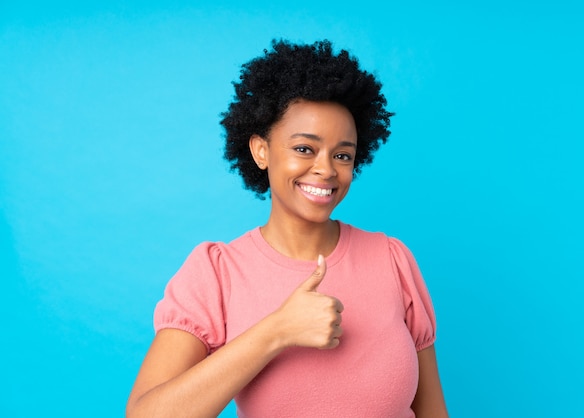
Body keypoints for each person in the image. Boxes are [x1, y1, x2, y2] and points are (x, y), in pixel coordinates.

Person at [126, 39, 448, 418]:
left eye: (342, 155)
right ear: (261, 150)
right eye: (304, 149)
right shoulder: (218, 273)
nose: (326, 169)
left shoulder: (391, 259)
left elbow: (433, 412)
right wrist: (277, 331)